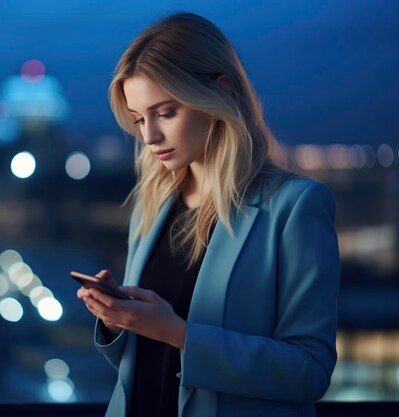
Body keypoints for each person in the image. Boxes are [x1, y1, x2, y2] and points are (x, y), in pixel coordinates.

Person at [76, 12, 340, 417]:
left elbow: (310, 371)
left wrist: (177, 333)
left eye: (165, 112)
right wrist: (117, 321)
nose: (148, 136)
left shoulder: (294, 206)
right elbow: (145, 366)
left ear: (220, 92)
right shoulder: (152, 203)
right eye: (139, 119)